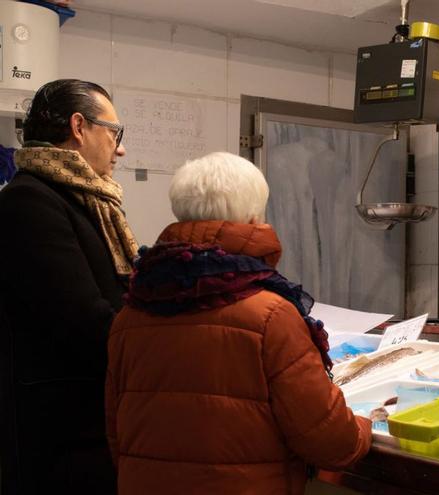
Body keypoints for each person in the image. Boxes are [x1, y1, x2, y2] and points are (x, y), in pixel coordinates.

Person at [105, 151, 372, 494]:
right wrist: (367, 425)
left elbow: (117, 433)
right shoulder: (270, 315)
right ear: (253, 218)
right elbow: (330, 441)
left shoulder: (131, 315)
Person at [0, 79, 135, 494]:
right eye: (115, 133)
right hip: (58, 431)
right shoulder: (29, 201)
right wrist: (157, 347)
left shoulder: (84, 199)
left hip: (89, 418)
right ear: (79, 127)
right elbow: (82, 319)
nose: (121, 148)